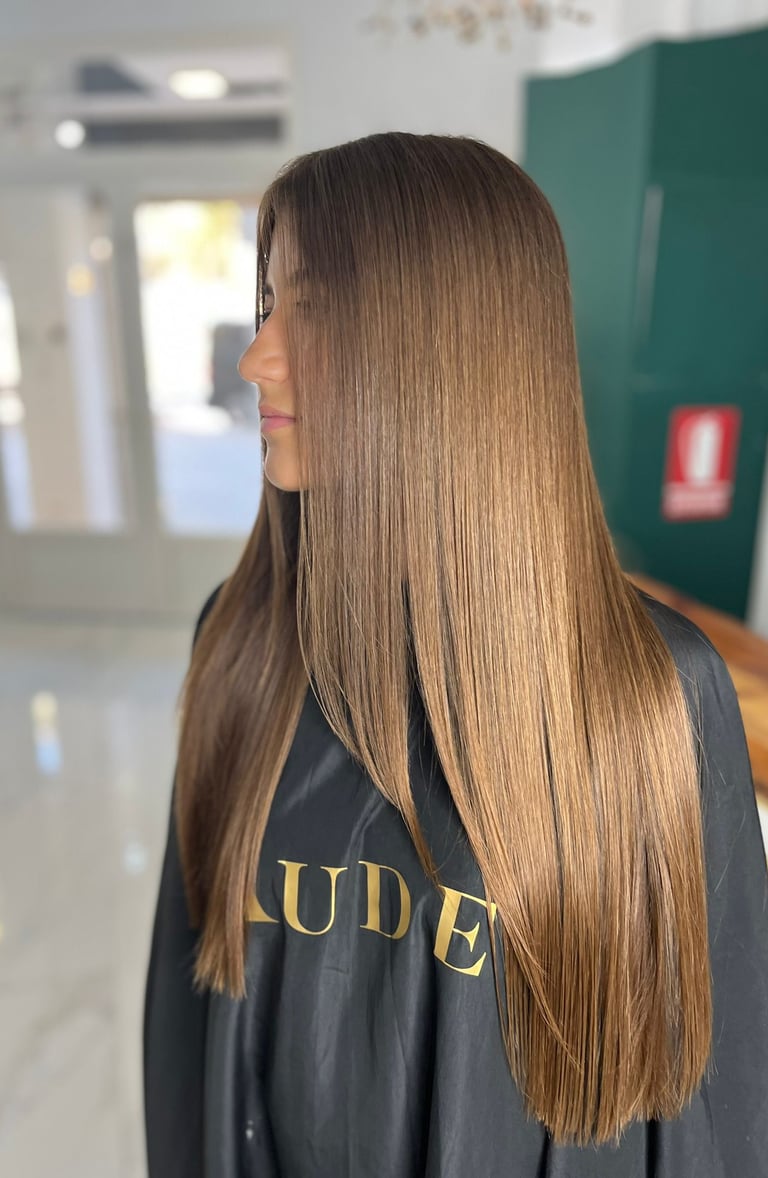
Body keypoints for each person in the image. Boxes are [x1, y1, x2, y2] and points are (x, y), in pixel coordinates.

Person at [142, 132, 768, 1178]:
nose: (257, 358)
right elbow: (183, 1017)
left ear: (451, 360)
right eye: (266, 307)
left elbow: (728, 1090)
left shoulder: (647, 697)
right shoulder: (242, 644)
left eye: (317, 311)